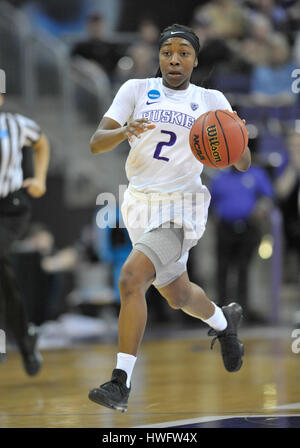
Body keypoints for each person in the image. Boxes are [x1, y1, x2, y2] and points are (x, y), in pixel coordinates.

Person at [88, 24, 251, 413]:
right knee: (177, 294)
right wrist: (124, 130)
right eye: (167, 52)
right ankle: (225, 323)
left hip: (182, 207)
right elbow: (96, 142)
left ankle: (119, 382)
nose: (174, 59)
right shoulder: (135, 90)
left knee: (131, 278)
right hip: (139, 203)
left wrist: (235, 136)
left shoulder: (210, 98)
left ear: (195, 59)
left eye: (183, 52)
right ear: (159, 57)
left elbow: (243, 162)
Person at [0, 93, 50, 374]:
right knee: (3, 274)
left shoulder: (15, 124)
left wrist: (40, 179)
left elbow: (41, 142)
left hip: (9, 208)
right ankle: (26, 337)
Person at [210, 164, 274, 323]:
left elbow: (268, 196)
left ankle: (244, 310)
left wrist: (262, 208)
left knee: (244, 269)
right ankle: (221, 311)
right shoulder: (220, 176)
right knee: (222, 269)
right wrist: (214, 217)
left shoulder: (256, 174)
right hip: (225, 228)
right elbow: (211, 201)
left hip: (249, 227)